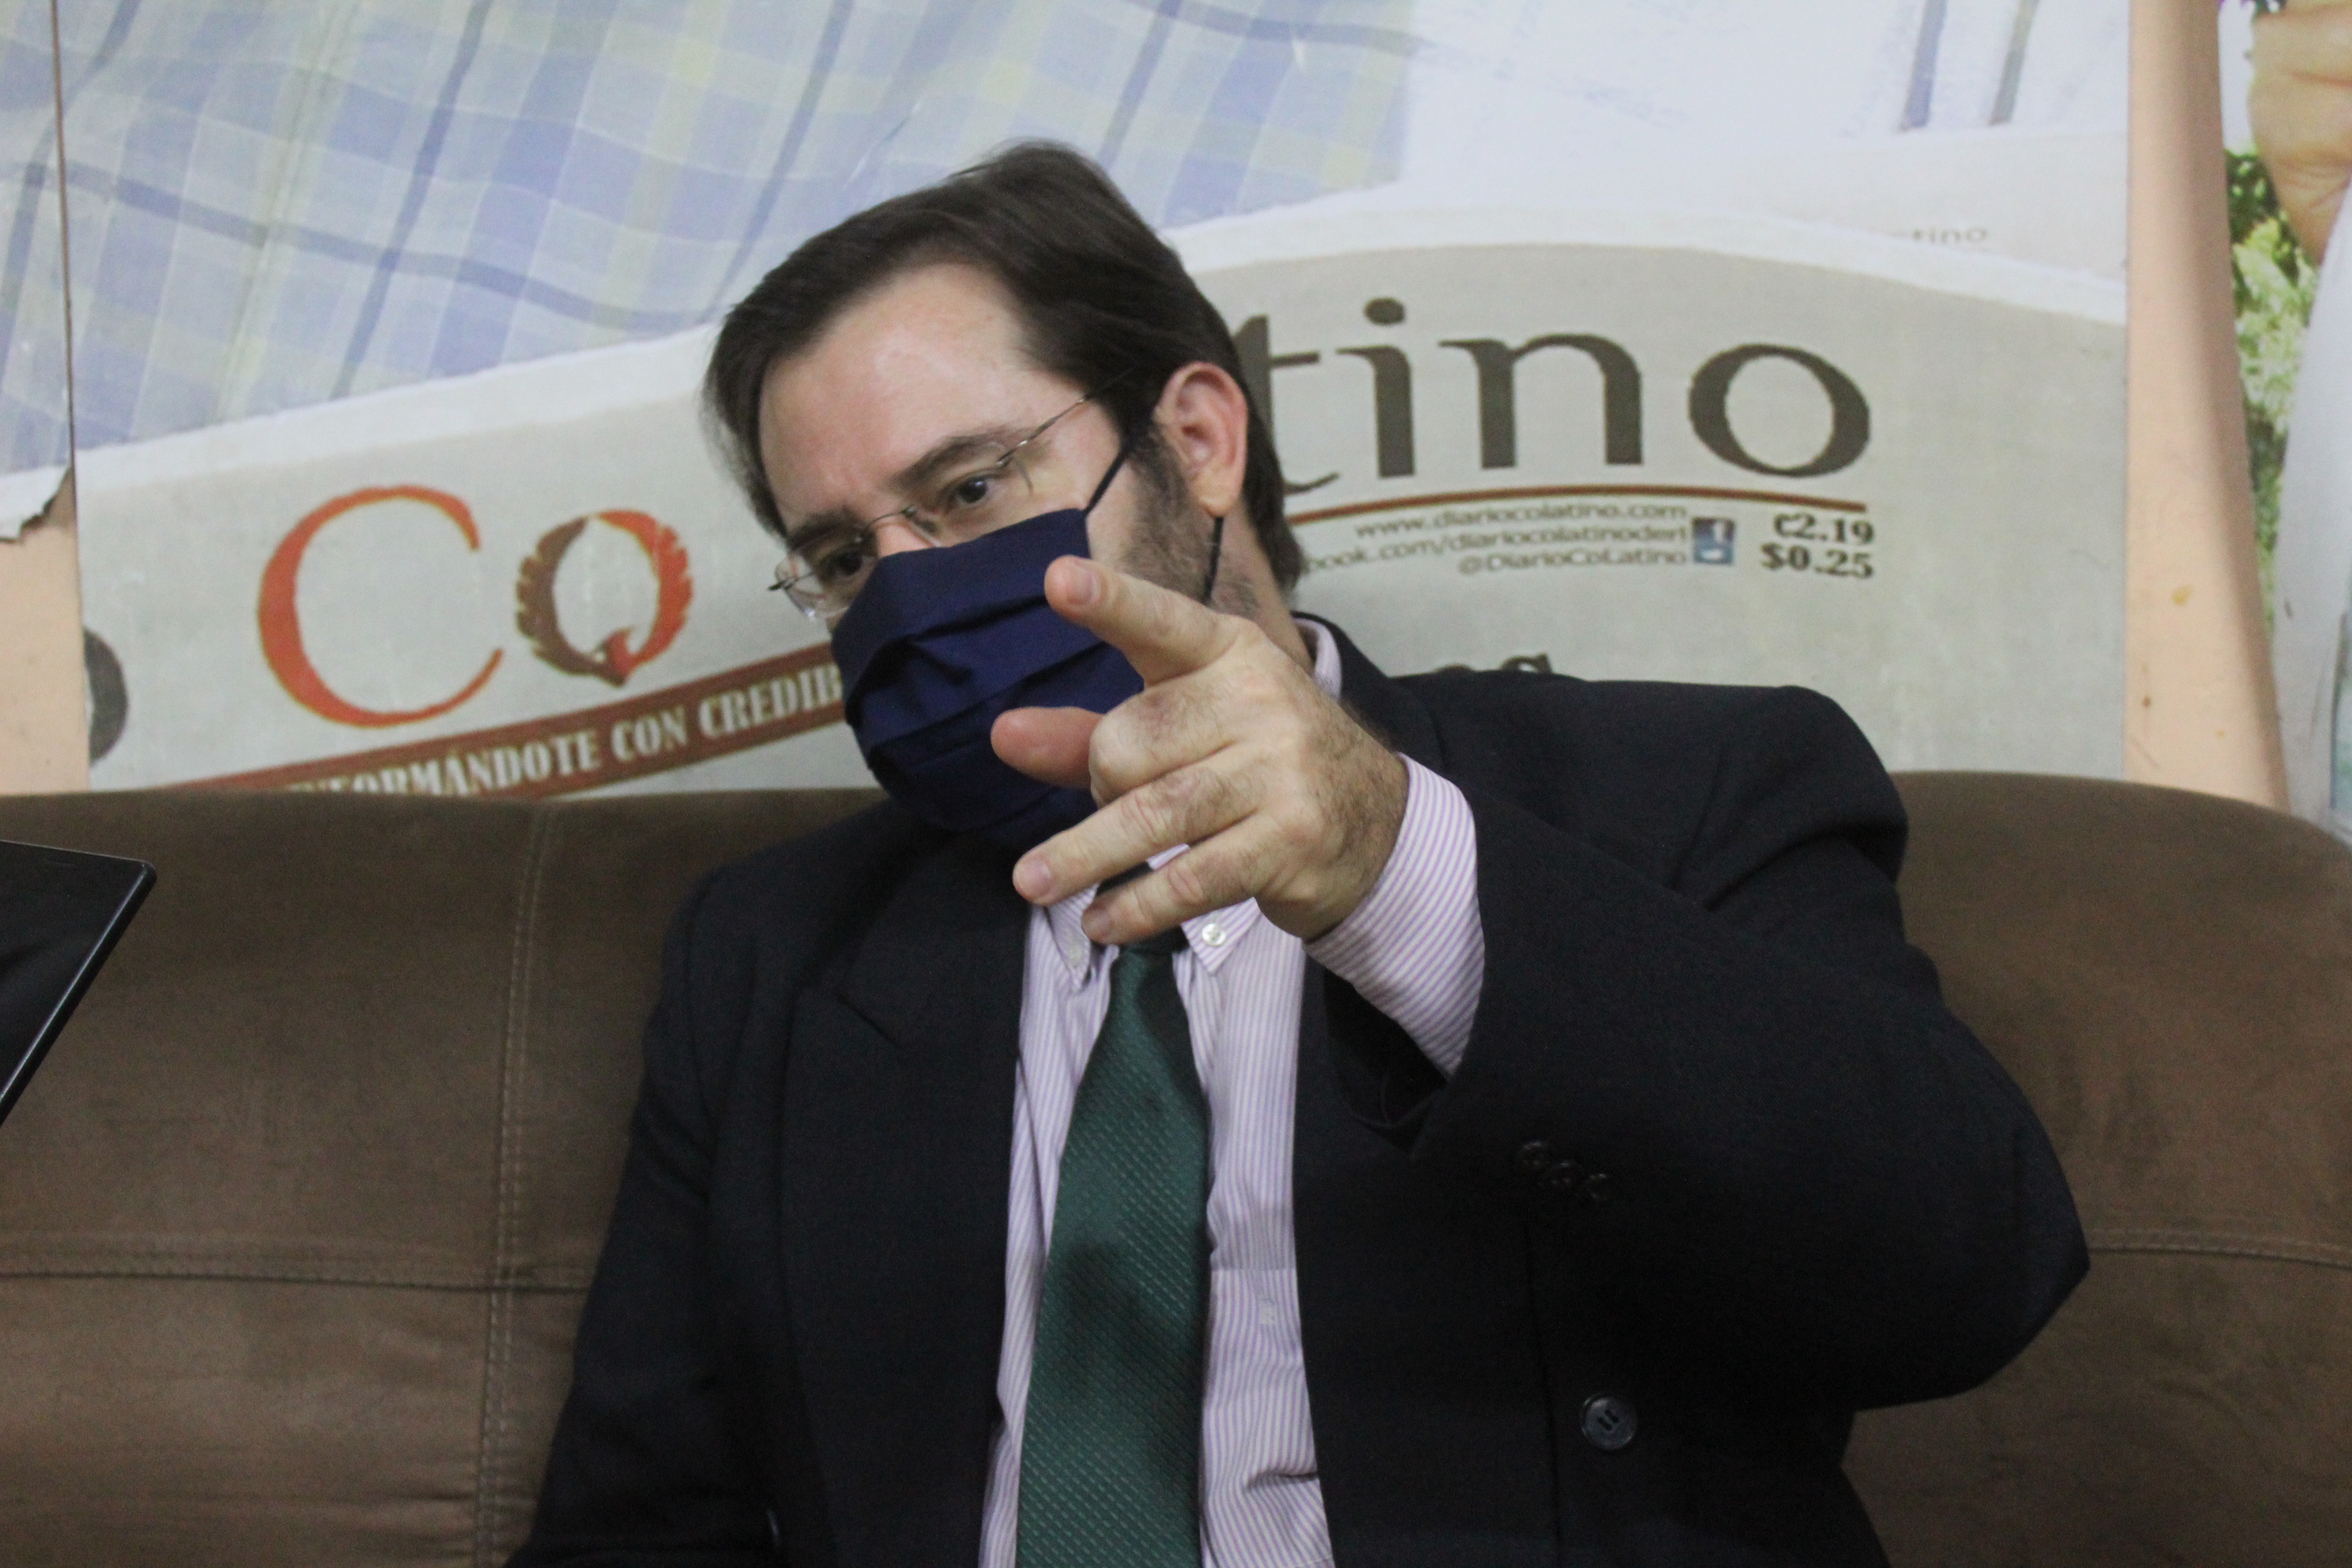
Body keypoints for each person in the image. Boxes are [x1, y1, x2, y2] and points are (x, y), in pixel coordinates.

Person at [510, 144, 2085, 1567]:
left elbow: (1966, 1270)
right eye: (849, 557)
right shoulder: (773, 957)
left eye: (972, 489)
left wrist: (1402, 873)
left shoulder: (1675, 789)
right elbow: (638, 1527)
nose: (913, 595)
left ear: (1195, 440)